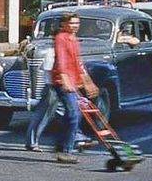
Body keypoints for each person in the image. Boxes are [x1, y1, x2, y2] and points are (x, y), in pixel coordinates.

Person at [26, 13, 98, 164]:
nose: (75, 26)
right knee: (73, 115)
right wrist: (65, 78)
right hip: (61, 81)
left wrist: (88, 82)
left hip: (72, 82)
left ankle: (61, 145)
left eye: (77, 23)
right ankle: (65, 150)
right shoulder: (61, 38)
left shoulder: (74, 40)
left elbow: (78, 63)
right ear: (64, 24)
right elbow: (62, 60)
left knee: (72, 115)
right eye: (72, 23)